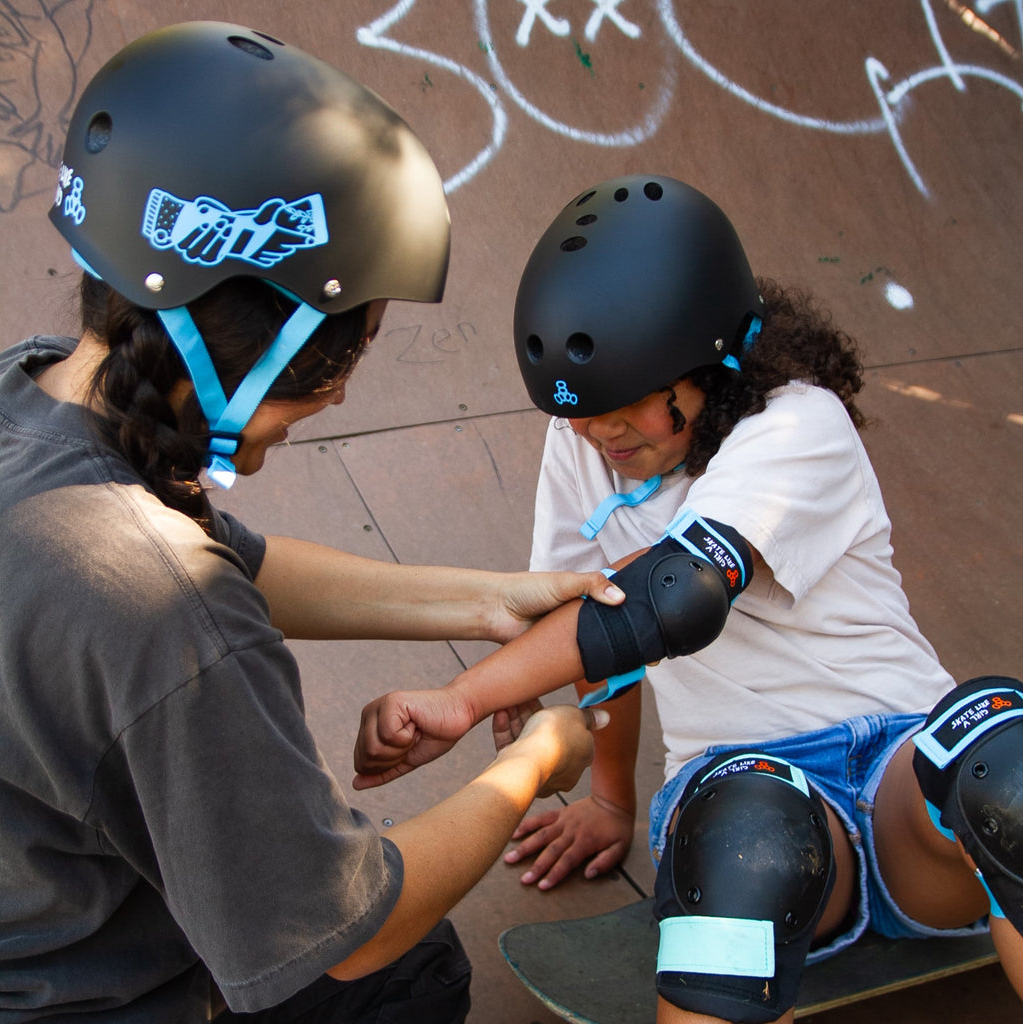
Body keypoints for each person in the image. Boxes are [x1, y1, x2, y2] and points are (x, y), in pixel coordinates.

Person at [0, 22, 625, 1022]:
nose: (338, 396)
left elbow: (234, 568)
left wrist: (492, 600)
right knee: (409, 967)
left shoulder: (33, 397)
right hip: (80, 995)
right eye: (358, 345)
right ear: (271, 340)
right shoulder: (166, 620)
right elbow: (353, 927)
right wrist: (538, 759)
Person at [353, 175, 1023, 1022]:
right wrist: (610, 799)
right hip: (746, 789)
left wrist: (462, 698)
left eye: (624, 406)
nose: (599, 435)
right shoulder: (584, 444)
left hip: (908, 785)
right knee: (751, 834)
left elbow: (667, 599)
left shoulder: (797, 424)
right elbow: (593, 616)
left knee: (1003, 758)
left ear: (712, 362)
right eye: (582, 416)